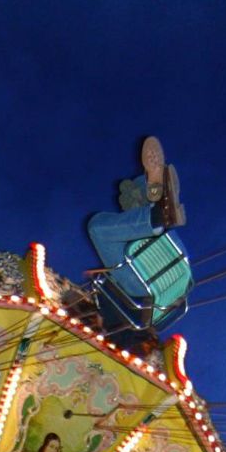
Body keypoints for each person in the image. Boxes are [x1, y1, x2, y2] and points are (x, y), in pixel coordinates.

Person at [87, 137, 187, 327]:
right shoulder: (124, 335)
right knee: (100, 228)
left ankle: (153, 198)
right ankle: (155, 201)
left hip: (151, 285)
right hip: (167, 272)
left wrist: (98, 284)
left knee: (104, 227)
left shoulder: (109, 326)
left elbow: (105, 315)